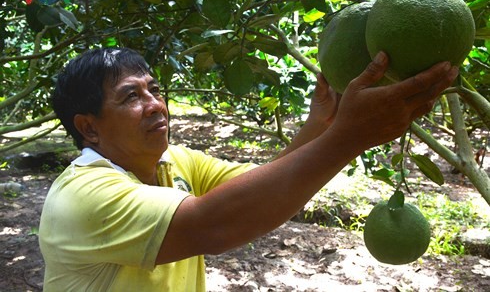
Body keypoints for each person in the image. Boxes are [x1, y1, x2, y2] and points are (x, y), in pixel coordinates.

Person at [38, 47, 458, 291]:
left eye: (155, 89)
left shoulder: (174, 161)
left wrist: (324, 125)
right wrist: (350, 136)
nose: (155, 104)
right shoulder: (83, 196)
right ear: (88, 128)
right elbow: (215, 224)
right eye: (131, 97)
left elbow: (261, 191)